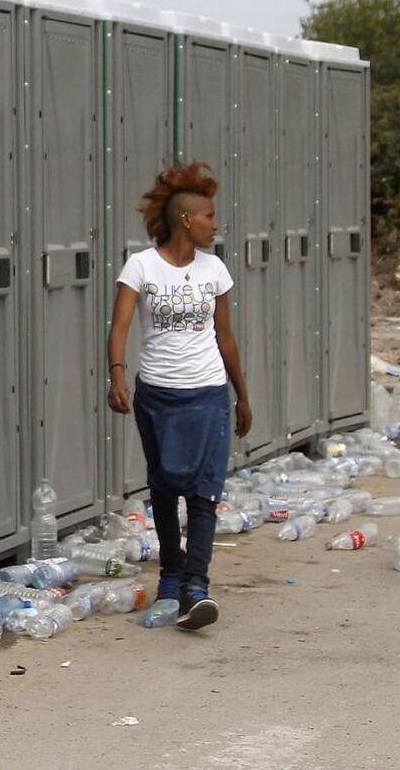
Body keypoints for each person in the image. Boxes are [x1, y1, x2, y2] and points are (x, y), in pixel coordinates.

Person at [106, 162, 251, 631]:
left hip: (208, 393)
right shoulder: (141, 266)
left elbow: (225, 337)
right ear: (186, 220)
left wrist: (241, 395)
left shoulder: (215, 269)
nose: (216, 224)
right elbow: (121, 327)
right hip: (157, 396)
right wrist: (117, 374)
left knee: (205, 490)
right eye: (210, 216)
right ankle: (170, 578)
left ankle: (197, 587)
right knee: (166, 486)